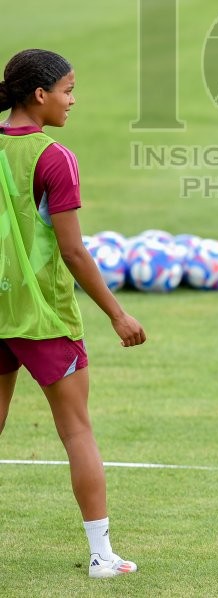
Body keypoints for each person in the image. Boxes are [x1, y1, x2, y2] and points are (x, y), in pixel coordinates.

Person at [0, 49, 146, 578]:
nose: (72, 100)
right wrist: (117, 315)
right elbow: (73, 251)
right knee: (77, 432)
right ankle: (102, 556)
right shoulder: (54, 157)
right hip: (44, 318)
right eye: (67, 90)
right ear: (39, 95)